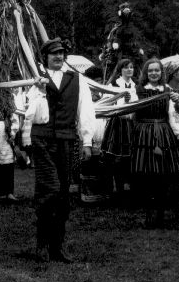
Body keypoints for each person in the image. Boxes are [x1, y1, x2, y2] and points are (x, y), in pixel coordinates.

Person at [21, 37, 96, 263]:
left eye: (61, 53)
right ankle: (42, 245)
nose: (58, 57)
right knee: (49, 190)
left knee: (63, 193)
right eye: (54, 53)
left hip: (66, 140)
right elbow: (29, 112)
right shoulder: (36, 79)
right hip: (42, 140)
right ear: (45, 57)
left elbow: (86, 110)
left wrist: (87, 141)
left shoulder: (77, 79)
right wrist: (38, 90)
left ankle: (57, 247)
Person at [130, 58, 179, 229]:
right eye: (150, 70)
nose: (154, 73)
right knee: (146, 175)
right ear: (146, 73)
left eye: (157, 70)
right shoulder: (138, 90)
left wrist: (178, 101)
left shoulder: (167, 90)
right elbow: (129, 112)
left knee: (163, 175)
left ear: (161, 72)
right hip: (144, 134)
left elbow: (176, 113)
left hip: (163, 133)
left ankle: (160, 215)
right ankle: (149, 215)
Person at [101, 59, 137, 198]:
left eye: (131, 67)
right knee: (113, 157)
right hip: (116, 124)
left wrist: (130, 103)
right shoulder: (114, 85)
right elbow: (107, 103)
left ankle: (127, 188)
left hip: (130, 123)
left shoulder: (135, 85)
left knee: (129, 157)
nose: (129, 70)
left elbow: (137, 103)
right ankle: (113, 188)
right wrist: (122, 100)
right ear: (120, 70)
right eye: (126, 67)